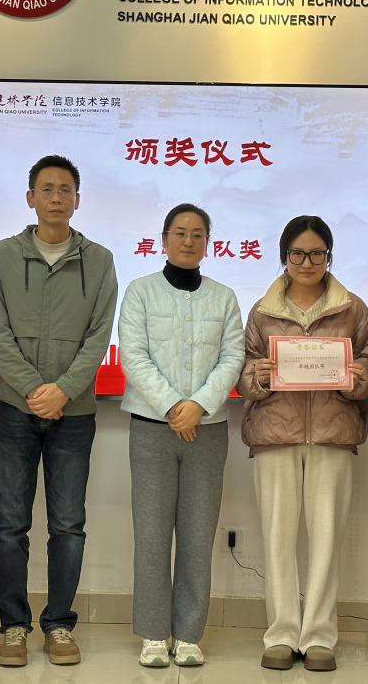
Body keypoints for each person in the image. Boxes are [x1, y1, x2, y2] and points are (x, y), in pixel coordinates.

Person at [0, 155, 118, 668]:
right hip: (13, 409)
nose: (56, 197)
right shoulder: (2, 255)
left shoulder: (99, 260)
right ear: (31, 198)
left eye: (65, 189)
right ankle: (13, 627)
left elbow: (98, 336)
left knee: (67, 526)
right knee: (9, 526)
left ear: (77, 200)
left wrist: (62, 390)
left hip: (74, 412)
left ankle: (59, 624)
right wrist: (33, 388)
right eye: (47, 189)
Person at [237, 215, 368, 672]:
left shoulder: (352, 309)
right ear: (284, 257)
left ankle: (318, 636)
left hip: (332, 435)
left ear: (329, 257)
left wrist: (359, 376)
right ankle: (280, 634)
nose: (307, 261)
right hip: (275, 435)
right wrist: (257, 376)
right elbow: (243, 369)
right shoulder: (262, 311)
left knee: (326, 539)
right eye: (298, 253)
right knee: (277, 539)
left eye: (317, 253)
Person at [118, 203, 245, 669]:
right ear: (164, 239)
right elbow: (133, 355)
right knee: (151, 535)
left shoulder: (224, 298)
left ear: (208, 243)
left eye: (197, 234)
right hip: (152, 428)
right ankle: (154, 633)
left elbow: (233, 357)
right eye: (179, 232)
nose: (188, 241)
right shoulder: (140, 292)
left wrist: (199, 406)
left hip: (207, 430)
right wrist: (174, 406)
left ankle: (189, 634)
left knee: (197, 534)